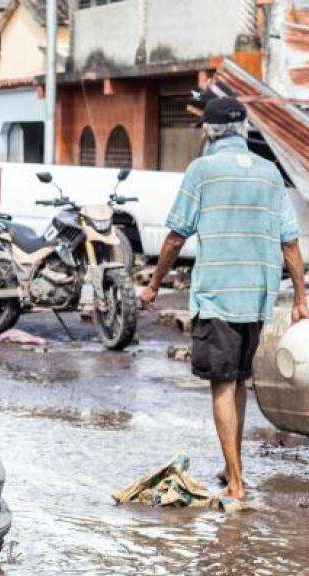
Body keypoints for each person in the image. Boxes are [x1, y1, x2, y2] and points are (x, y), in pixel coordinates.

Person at [140, 96, 308, 500]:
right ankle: (232, 466)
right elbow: (290, 242)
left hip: (217, 295)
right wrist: (302, 297)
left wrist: (153, 285)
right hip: (257, 297)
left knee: (221, 385)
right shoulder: (270, 173)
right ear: (244, 130)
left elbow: (177, 235)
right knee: (238, 383)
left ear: (210, 132)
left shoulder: (202, 171)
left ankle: (235, 483)